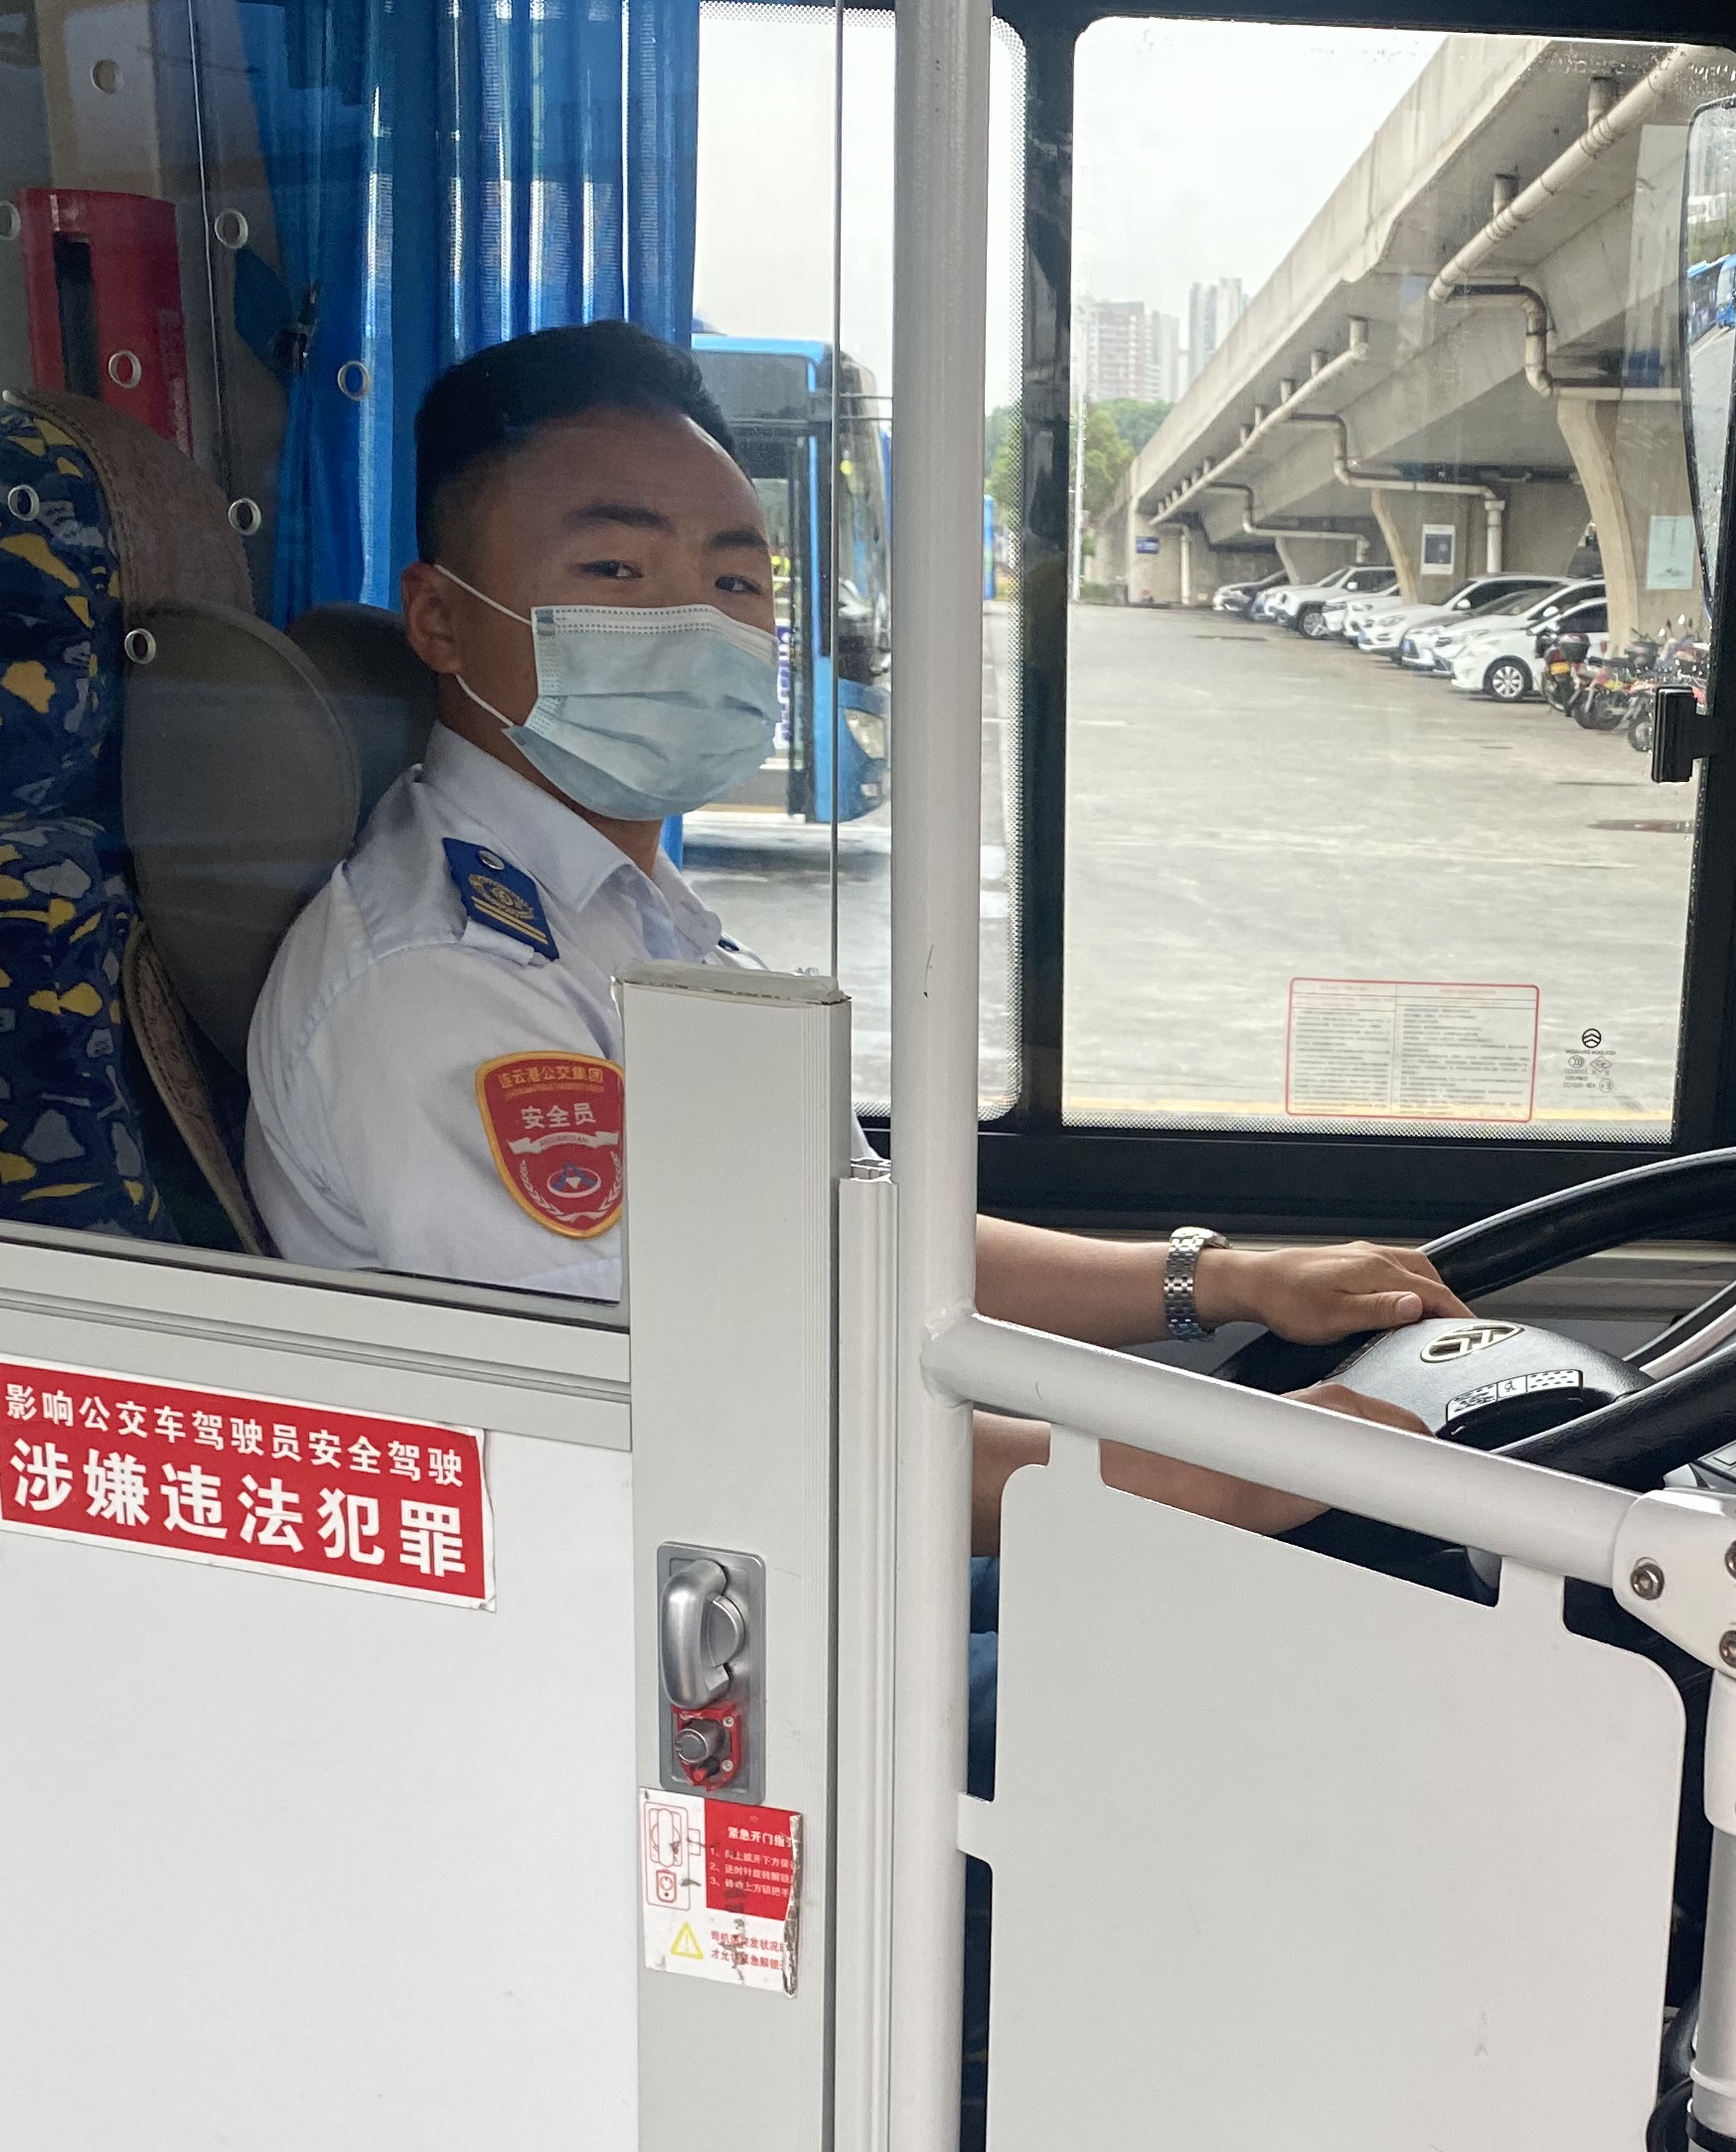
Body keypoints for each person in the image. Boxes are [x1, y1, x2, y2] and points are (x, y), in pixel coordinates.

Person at [245, 323, 1461, 1542]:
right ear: (439, 620)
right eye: (615, 570)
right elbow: (685, 1427)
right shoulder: (443, 984)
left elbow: (852, 1240)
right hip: (678, 1606)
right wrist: (1222, 1480)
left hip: (796, 1546)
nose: (695, 622)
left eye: (736, 584)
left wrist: (1224, 1280)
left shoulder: (623, 914)